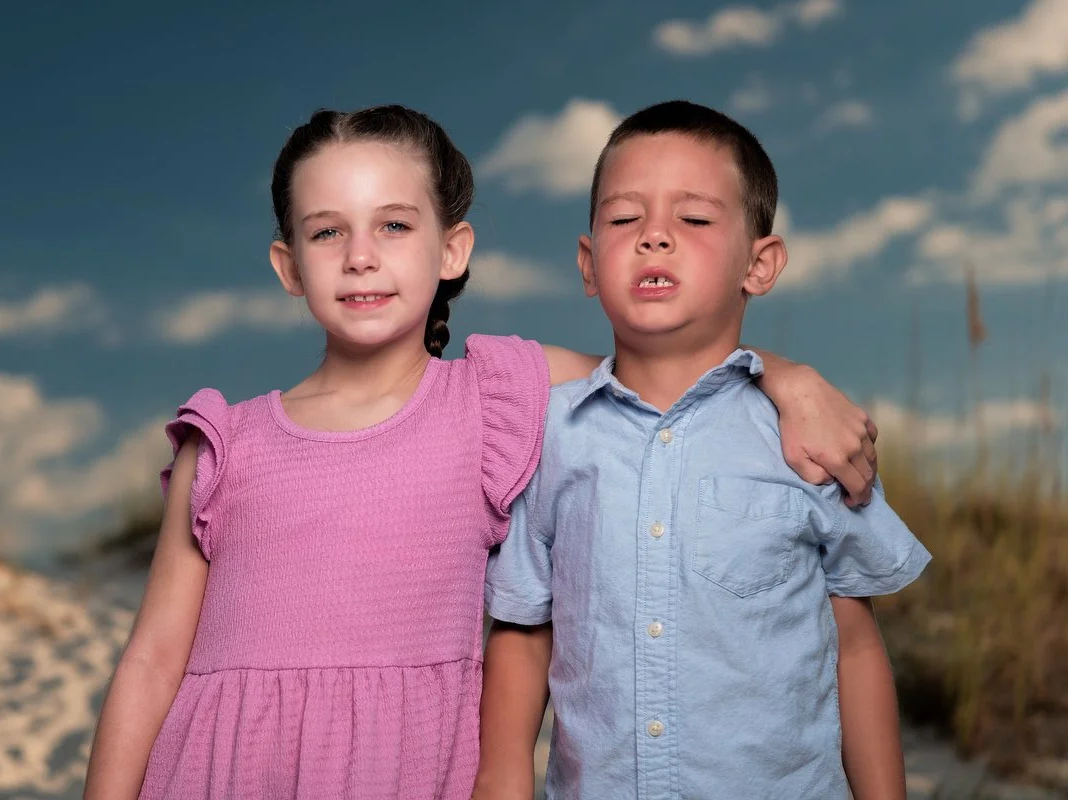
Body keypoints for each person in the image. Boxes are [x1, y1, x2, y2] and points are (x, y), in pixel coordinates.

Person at [83, 104, 880, 799]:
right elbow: (151, 662)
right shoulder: (227, 441)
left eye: (395, 225)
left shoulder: (496, 398)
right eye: (328, 232)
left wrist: (789, 378)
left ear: (452, 249)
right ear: (289, 264)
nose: (362, 254)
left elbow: (663, 371)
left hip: (412, 770)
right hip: (221, 768)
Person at [475, 101, 931, 800]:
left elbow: (855, 646)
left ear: (761, 263)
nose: (654, 237)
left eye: (693, 219)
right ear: (589, 263)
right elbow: (523, 627)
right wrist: (501, 780)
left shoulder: (808, 438)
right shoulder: (549, 435)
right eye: (625, 219)